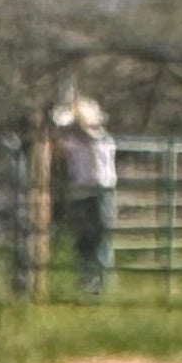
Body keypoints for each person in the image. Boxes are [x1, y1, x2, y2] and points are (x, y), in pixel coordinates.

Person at [52, 92, 117, 296]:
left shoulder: (100, 138)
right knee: (84, 238)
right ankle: (88, 280)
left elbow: (87, 134)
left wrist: (77, 113)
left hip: (100, 191)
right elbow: (60, 142)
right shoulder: (75, 140)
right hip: (82, 192)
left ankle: (100, 281)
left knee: (100, 236)